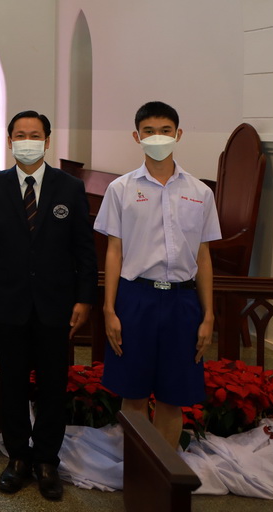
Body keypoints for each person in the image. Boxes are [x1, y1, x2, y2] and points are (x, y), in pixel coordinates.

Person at [0, 111, 97, 501]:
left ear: (46, 140)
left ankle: (46, 460)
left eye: (35, 135)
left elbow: (84, 249)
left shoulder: (70, 188)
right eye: (20, 135)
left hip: (55, 304)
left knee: (52, 386)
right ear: (10, 140)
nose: (27, 141)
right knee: (11, 384)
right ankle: (17, 458)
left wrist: (84, 297)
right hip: (8, 303)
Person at [95, 101, 220, 450]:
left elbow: (203, 256)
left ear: (178, 134)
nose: (158, 138)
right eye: (149, 131)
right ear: (137, 137)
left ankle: (164, 470)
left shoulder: (200, 192)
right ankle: (138, 470)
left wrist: (208, 314)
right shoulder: (120, 189)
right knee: (133, 393)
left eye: (165, 131)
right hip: (137, 297)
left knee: (172, 397)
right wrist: (109, 309)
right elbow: (114, 251)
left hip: (182, 300)